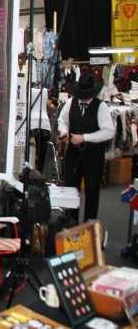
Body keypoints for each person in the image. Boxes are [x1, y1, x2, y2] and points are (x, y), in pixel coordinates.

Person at [58, 72, 114, 223]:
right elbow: (62, 120)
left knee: (92, 192)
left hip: (93, 155)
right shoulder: (71, 102)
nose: (82, 98)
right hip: (73, 154)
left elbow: (109, 132)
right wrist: (64, 132)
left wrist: (85, 138)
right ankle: (70, 224)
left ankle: (89, 226)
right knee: (70, 191)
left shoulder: (101, 107)